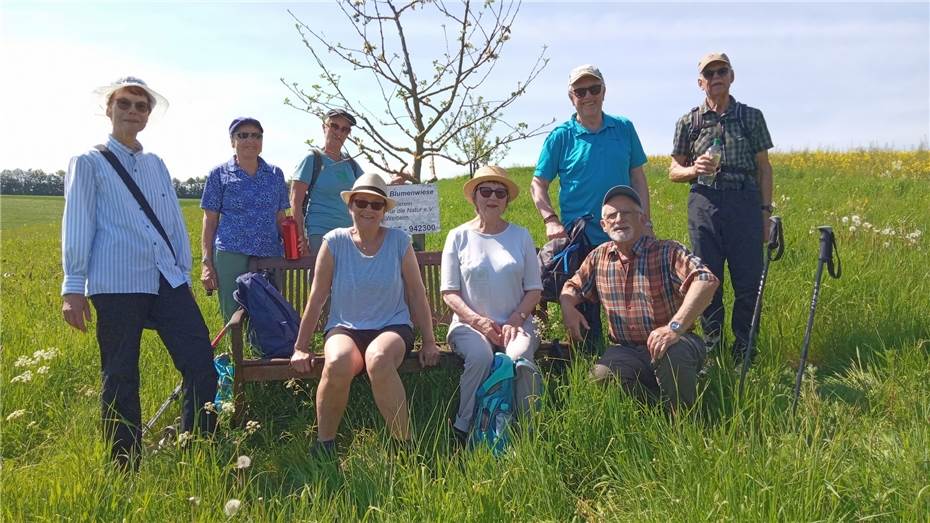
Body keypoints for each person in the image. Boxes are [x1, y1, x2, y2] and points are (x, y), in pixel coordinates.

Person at [61, 76, 217, 469]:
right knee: (120, 373)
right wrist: (73, 287)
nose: (133, 111)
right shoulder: (89, 162)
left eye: (141, 106)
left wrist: (183, 269)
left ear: (148, 115)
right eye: (125, 104)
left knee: (200, 360)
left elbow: (172, 221)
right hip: (117, 280)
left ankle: (196, 447)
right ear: (109, 109)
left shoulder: (155, 164)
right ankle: (124, 465)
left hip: (166, 276)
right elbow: (78, 223)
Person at [290, 173, 440, 453]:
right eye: (362, 202)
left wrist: (429, 341)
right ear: (350, 206)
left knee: (379, 359)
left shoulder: (399, 241)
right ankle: (325, 446)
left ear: (384, 210)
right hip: (345, 327)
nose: (368, 210)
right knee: (336, 362)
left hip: (392, 327)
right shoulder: (334, 242)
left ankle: (405, 446)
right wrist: (300, 347)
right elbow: (318, 296)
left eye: (376, 205)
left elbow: (417, 293)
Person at [560, 186, 719, 411]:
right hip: (626, 349)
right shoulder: (598, 257)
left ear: (643, 219)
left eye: (627, 213)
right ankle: (656, 409)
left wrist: (674, 328)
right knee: (601, 375)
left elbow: (706, 280)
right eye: (611, 216)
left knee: (672, 353)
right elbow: (572, 286)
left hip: (675, 341)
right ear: (603, 226)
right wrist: (567, 306)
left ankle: (684, 421)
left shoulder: (667, 251)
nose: (619, 219)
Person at [531, 64, 651, 351]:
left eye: (594, 89)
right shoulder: (561, 136)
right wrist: (550, 219)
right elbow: (538, 184)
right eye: (580, 91)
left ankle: (631, 369)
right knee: (585, 324)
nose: (588, 96)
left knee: (629, 311)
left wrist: (645, 221)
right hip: (580, 241)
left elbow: (637, 176)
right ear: (571, 97)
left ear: (604, 91)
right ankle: (589, 374)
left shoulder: (623, 128)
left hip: (623, 235)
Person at [668, 52, 775, 363]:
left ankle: (745, 351)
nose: (716, 77)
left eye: (722, 71)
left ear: (731, 76)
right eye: (709, 73)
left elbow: (764, 168)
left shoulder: (751, 116)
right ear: (701, 82)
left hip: (745, 203)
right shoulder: (689, 121)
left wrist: (765, 213)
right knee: (707, 279)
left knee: (748, 281)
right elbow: (674, 170)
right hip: (704, 202)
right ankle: (712, 349)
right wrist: (693, 170)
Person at [440, 166, 543, 445]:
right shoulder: (458, 236)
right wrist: (478, 322)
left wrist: (516, 319)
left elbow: (534, 289)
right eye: (485, 191)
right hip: (468, 326)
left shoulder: (521, 236)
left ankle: (525, 429)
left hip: (515, 324)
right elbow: (449, 292)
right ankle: (464, 426)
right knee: (481, 357)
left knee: (518, 358)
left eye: (500, 192)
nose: (492, 197)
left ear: (507, 200)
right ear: (475, 197)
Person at [200, 117, 289, 323]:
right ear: (232, 141)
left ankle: (268, 353)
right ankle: (237, 353)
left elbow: (280, 217)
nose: (250, 140)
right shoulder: (218, 174)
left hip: (270, 253)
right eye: (243, 135)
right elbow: (210, 221)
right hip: (232, 252)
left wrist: (293, 246)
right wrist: (207, 262)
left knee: (270, 311)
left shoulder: (275, 174)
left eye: (256, 136)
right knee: (234, 313)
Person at [289, 108, 363, 256]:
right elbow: (295, 201)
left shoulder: (351, 163)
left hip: (349, 233)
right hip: (320, 232)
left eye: (345, 129)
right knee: (323, 278)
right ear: (324, 127)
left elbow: (370, 190)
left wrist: (396, 183)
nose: (339, 132)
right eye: (334, 126)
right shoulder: (312, 158)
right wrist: (300, 238)